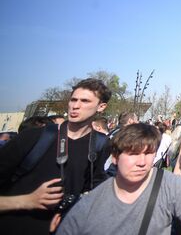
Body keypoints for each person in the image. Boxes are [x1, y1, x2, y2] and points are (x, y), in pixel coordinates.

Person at [56, 123, 181, 235]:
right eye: (133, 154)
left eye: (148, 154)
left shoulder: (172, 186)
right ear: (115, 158)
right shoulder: (89, 205)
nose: (141, 162)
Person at [0, 78, 112, 234]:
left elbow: (91, 189)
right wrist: (27, 200)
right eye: (73, 99)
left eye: (85, 101)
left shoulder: (101, 144)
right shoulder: (33, 137)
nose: (75, 105)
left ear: (101, 107)